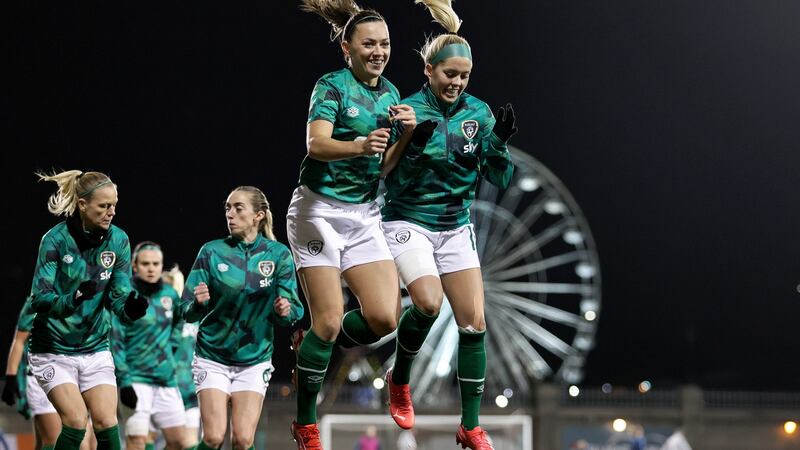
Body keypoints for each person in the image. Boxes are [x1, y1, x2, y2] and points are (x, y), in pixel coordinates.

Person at [380, 1, 517, 449]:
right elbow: (386, 174)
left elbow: (500, 177)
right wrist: (410, 138)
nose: (457, 83)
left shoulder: (478, 113)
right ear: (428, 69)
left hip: (456, 226)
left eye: (464, 76)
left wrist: (497, 143)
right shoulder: (404, 109)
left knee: (474, 324)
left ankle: (470, 425)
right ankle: (399, 380)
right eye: (449, 74)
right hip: (408, 220)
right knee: (425, 304)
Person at [288, 1, 423, 448]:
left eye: (385, 43)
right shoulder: (331, 85)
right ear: (347, 48)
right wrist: (361, 144)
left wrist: (404, 134)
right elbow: (317, 144)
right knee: (328, 322)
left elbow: (382, 168)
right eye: (369, 44)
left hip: (363, 215)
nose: (379, 51)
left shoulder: (391, 95)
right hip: (318, 213)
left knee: (385, 317)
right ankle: (306, 422)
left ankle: (311, 344)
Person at [26, 170, 149, 450]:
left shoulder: (118, 240)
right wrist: (75, 297)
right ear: (83, 205)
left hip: (94, 347)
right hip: (52, 350)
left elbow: (119, 296)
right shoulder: (55, 240)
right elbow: (40, 300)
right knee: (77, 421)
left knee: (107, 421)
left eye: (114, 206)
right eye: (104, 206)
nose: (111, 212)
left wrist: (131, 308)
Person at [180, 186, 304, 450]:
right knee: (213, 437)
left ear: (258, 215)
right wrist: (198, 304)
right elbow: (185, 310)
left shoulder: (278, 254)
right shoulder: (211, 252)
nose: (230, 214)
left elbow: (294, 310)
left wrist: (285, 311)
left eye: (238, 208)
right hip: (212, 356)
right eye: (227, 208)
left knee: (243, 440)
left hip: (254, 359)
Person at [110, 241, 187, 450]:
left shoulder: (170, 295)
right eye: (145, 264)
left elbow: (179, 321)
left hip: (166, 379)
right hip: (136, 379)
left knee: (180, 442)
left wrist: (173, 345)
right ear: (135, 265)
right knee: (136, 441)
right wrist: (124, 382)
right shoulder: (125, 295)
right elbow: (115, 340)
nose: (151, 268)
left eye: (156, 264)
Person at [2, 296, 96, 450]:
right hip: (43, 377)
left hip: (75, 376)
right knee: (55, 441)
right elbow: (19, 341)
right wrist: (11, 378)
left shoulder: (86, 297)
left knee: (84, 445)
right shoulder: (38, 300)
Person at [165, 265, 201, 450]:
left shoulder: (196, 317)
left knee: (190, 443)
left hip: (190, 390)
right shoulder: (161, 318)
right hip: (167, 388)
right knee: (173, 443)